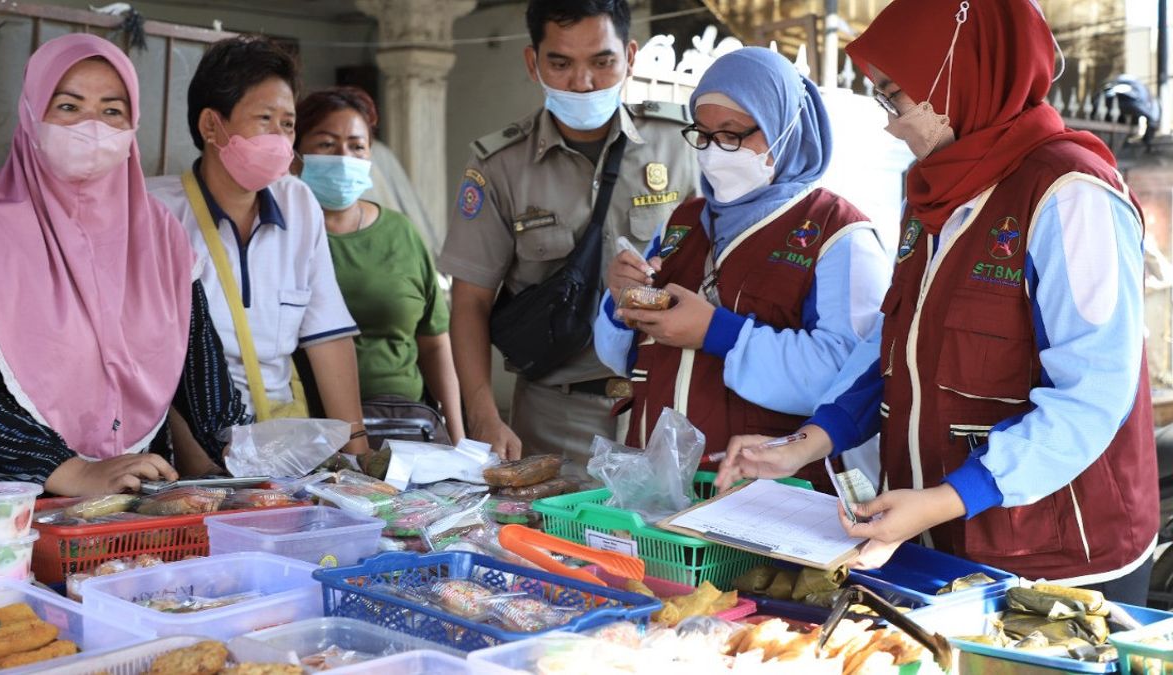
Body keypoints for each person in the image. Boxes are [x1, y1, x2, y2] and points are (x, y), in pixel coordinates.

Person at [716, 0, 1158, 604]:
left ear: (957, 76)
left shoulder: (1069, 195)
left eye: (895, 97)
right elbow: (892, 343)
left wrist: (949, 498)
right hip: (937, 538)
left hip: (1053, 557)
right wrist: (807, 443)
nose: (890, 124)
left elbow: (1094, 393)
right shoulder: (934, 189)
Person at [595, 47, 889, 490]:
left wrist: (719, 333)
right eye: (704, 134)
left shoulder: (838, 234)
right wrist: (620, 301)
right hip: (659, 489)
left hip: (769, 495)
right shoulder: (683, 222)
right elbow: (620, 355)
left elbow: (847, 376)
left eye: (732, 134)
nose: (715, 152)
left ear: (782, 128)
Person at [0, 34, 245, 494]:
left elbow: (202, 381)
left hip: (137, 504)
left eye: (112, 110)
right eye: (68, 107)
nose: (92, 126)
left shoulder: (160, 236)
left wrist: (251, 457)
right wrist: (71, 471)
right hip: (8, 519)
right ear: (31, 114)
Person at [439, 0, 699, 472]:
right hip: (554, 418)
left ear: (631, 57)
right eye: (560, 63)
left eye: (602, 62)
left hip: (671, 409)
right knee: (553, 544)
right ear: (532, 62)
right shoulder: (501, 167)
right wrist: (482, 417)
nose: (582, 83)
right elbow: (470, 302)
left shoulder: (683, 145)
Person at [148, 36, 370, 459]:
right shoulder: (156, 212)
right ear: (211, 126)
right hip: (196, 447)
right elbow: (154, 364)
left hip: (285, 443)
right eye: (264, 119)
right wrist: (205, 468)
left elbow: (327, 338)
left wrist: (358, 454)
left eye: (287, 124)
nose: (280, 138)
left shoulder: (298, 202)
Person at [294, 86, 463, 444]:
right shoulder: (282, 235)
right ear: (297, 153)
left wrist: (458, 438)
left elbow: (434, 342)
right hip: (309, 433)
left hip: (405, 424)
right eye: (326, 144)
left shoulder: (401, 232)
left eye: (357, 146)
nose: (343, 157)